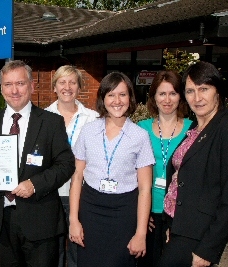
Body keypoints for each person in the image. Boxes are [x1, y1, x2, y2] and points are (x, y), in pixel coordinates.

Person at [0, 60, 75, 267]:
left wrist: (35, 184)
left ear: (31, 86)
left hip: (40, 221)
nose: (14, 90)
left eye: (20, 83)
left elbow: (66, 165)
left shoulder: (51, 122)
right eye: (8, 84)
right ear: (1, 89)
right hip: (1, 220)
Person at [69, 72, 155, 267]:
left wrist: (141, 233)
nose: (117, 101)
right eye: (111, 95)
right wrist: (74, 220)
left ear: (130, 98)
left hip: (124, 212)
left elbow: (145, 190)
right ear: (103, 98)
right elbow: (76, 177)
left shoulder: (140, 136)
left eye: (122, 95)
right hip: (91, 209)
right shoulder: (88, 131)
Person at [158, 61, 228, 267]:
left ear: (217, 91)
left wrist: (209, 248)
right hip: (181, 227)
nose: (197, 98)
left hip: (201, 235)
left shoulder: (223, 128)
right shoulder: (196, 128)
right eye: (190, 91)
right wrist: (175, 223)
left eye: (203, 89)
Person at [137, 70, 192, 267]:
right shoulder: (140, 129)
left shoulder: (192, 130)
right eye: (162, 93)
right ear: (153, 97)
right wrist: (141, 214)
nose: (167, 99)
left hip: (179, 216)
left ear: (180, 96)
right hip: (148, 212)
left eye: (173, 93)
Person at [45, 65, 98, 267]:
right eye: (62, 82)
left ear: (79, 87)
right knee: (53, 252)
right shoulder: (42, 117)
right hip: (51, 195)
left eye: (72, 82)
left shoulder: (93, 119)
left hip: (82, 195)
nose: (67, 87)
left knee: (78, 251)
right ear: (55, 87)